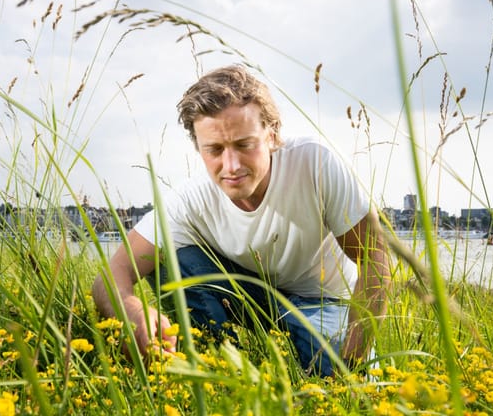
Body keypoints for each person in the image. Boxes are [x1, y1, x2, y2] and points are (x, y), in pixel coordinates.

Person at [92, 65, 390, 376]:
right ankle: (219, 368)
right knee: (175, 263)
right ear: (199, 147)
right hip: (253, 297)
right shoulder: (189, 201)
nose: (230, 165)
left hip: (323, 300)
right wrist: (130, 311)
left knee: (340, 378)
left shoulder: (315, 163)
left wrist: (354, 359)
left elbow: (376, 261)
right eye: (215, 150)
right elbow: (111, 275)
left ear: (272, 136)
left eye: (244, 145)